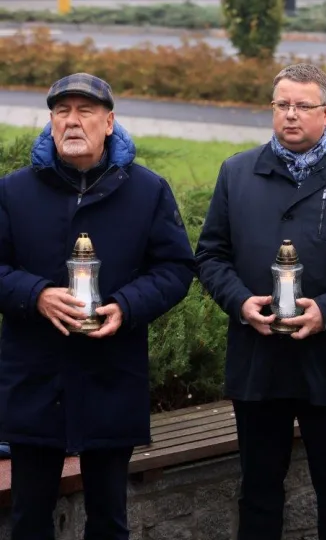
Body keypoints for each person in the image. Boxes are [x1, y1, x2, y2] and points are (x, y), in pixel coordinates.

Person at [194, 63, 326, 540]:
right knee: (258, 489)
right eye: (282, 104)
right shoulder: (237, 171)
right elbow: (211, 254)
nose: (290, 115)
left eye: (302, 106)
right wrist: (240, 302)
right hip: (258, 360)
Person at [0, 73, 195, 540]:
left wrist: (126, 306)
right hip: (34, 380)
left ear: (109, 123)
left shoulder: (148, 191)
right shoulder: (14, 191)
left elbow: (175, 269)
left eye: (84, 111)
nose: (72, 121)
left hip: (112, 376)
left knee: (109, 518)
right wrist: (36, 295)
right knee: (28, 518)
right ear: (50, 124)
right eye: (61, 112)